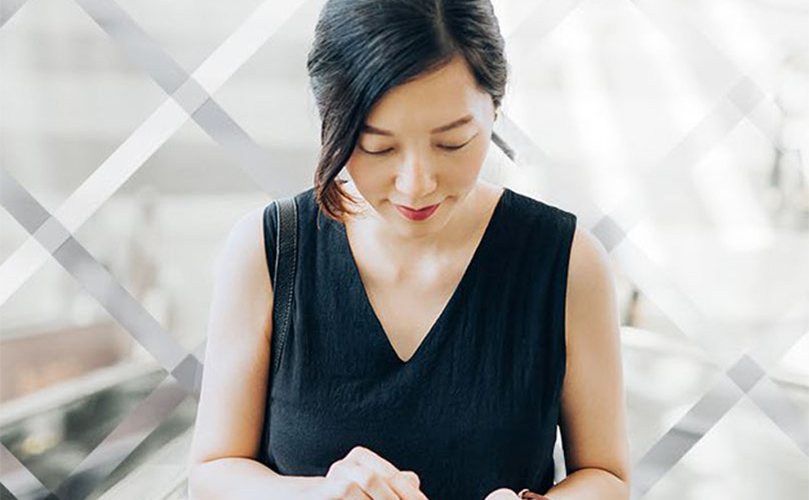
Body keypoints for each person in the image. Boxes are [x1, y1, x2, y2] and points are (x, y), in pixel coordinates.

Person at [187, 1, 630, 499]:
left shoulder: (568, 261)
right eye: (379, 147)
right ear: (330, 119)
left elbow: (606, 477)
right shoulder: (268, 251)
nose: (415, 185)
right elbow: (211, 474)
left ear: (495, 108)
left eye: (453, 143)